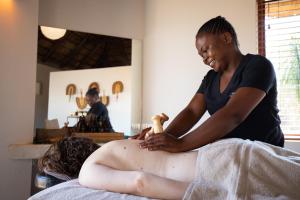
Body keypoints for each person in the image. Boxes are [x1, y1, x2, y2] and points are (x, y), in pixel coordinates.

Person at [138, 16, 284, 153]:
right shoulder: (211, 78)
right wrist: (161, 137)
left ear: (226, 38)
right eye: (201, 55)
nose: (204, 59)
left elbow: (233, 114)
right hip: (229, 152)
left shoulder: (258, 66)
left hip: (264, 152)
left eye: (205, 50)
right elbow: (192, 112)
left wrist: (181, 144)